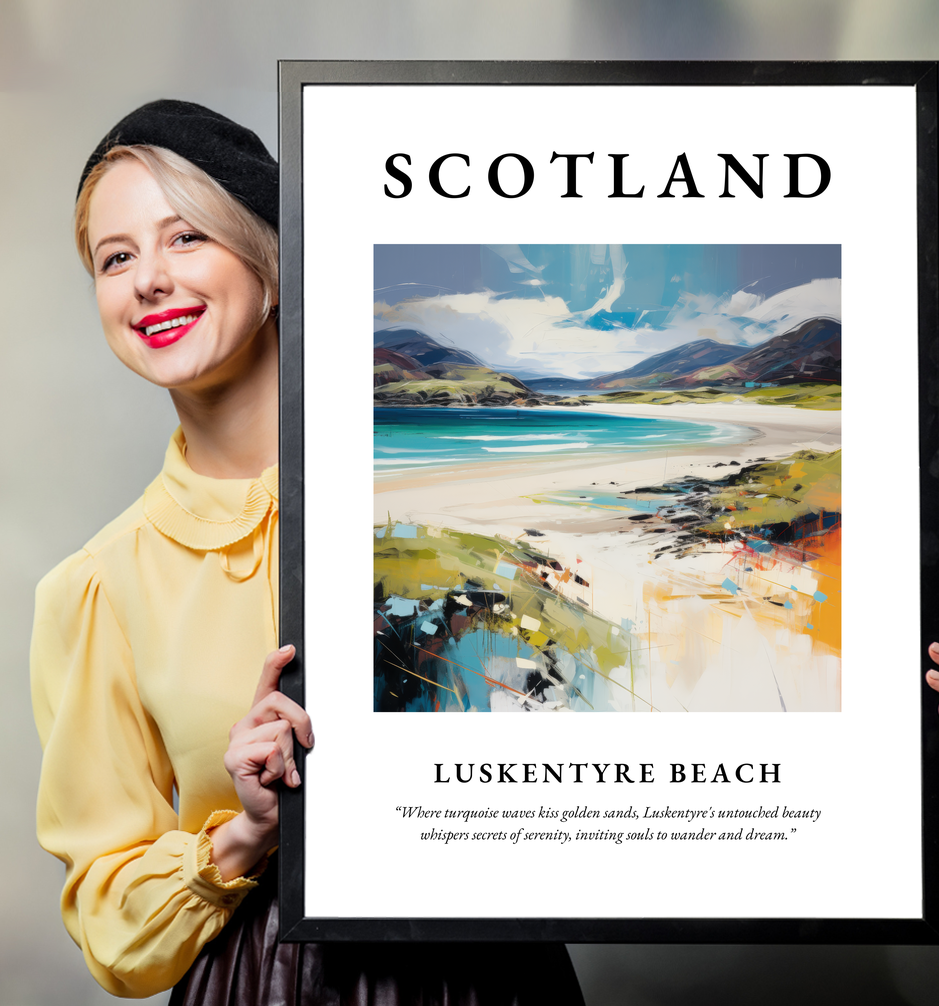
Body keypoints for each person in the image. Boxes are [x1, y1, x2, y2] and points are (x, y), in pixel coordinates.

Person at [30, 100, 585, 1004]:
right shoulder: (97, 586)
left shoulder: (454, 505)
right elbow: (110, 924)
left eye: (185, 239)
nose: (148, 281)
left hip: (493, 972)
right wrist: (245, 832)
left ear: (273, 264)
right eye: (116, 257)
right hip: (263, 981)